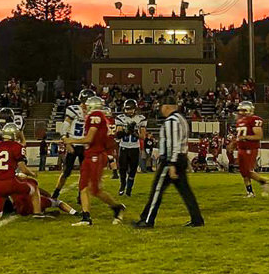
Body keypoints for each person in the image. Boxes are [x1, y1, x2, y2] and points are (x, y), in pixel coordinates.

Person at [135, 95, 204, 228]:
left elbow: (174, 143)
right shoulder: (182, 119)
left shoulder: (171, 121)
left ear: (166, 107)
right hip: (180, 158)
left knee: (157, 190)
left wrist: (171, 163)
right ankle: (197, 219)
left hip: (171, 160)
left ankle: (147, 220)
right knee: (186, 192)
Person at [62, 96, 126, 226]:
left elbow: (89, 138)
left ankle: (117, 207)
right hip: (90, 154)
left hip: (96, 155)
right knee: (83, 186)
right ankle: (86, 217)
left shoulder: (95, 116)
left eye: (86, 106)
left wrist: (71, 140)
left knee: (95, 190)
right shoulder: (100, 117)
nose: (84, 108)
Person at [0, 123, 49, 220]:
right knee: (34, 185)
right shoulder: (16, 146)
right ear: (14, 135)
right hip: (11, 183)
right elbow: (23, 168)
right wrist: (32, 173)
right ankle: (37, 213)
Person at [52, 89, 93, 202]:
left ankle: (81, 195)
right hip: (73, 144)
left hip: (85, 145)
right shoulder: (74, 110)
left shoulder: (92, 113)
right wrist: (66, 141)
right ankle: (56, 193)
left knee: (85, 173)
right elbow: (65, 125)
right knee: (66, 172)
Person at [229, 101, 269, 197]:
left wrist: (245, 137)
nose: (240, 112)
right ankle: (250, 192)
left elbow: (258, 136)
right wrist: (234, 144)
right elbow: (240, 136)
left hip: (250, 148)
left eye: (243, 110)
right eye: (240, 110)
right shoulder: (239, 121)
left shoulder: (255, 120)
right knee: (243, 172)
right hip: (241, 148)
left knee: (248, 171)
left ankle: (264, 182)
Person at [114, 99, 146, 197]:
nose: (129, 111)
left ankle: (129, 188)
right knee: (122, 169)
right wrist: (126, 131)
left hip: (134, 148)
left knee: (132, 170)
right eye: (127, 109)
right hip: (124, 147)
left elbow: (143, 136)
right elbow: (118, 135)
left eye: (131, 109)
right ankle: (123, 184)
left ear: (135, 109)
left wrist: (134, 133)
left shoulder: (141, 118)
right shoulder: (120, 118)